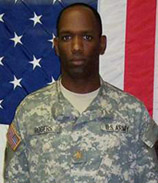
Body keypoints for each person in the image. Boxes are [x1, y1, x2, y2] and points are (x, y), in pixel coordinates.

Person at [4, 3, 158, 183]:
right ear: (56, 45)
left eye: (87, 37)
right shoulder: (29, 112)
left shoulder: (133, 112)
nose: (76, 47)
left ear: (102, 44)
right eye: (67, 37)